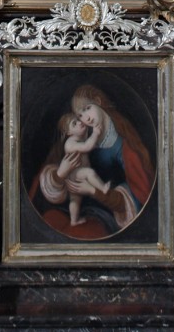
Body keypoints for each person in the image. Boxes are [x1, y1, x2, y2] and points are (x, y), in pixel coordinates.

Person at [35, 85, 154, 236]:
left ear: (98, 101)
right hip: (72, 206)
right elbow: (50, 173)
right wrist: (60, 174)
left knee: (86, 233)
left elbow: (138, 195)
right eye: (80, 115)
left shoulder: (124, 140)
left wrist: (93, 191)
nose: (86, 118)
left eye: (87, 108)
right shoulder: (81, 133)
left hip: (107, 214)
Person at [57, 112, 111, 226]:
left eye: (78, 120)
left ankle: (74, 220)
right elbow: (87, 146)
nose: (79, 123)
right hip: (74, 174)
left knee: (75, 200)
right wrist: (95, 134)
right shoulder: (70, 143)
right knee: (89, 173)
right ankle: (103, 188)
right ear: (68, 132)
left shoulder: (79, 138)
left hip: (75, 176)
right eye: (74, 123)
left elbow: (89, 144)